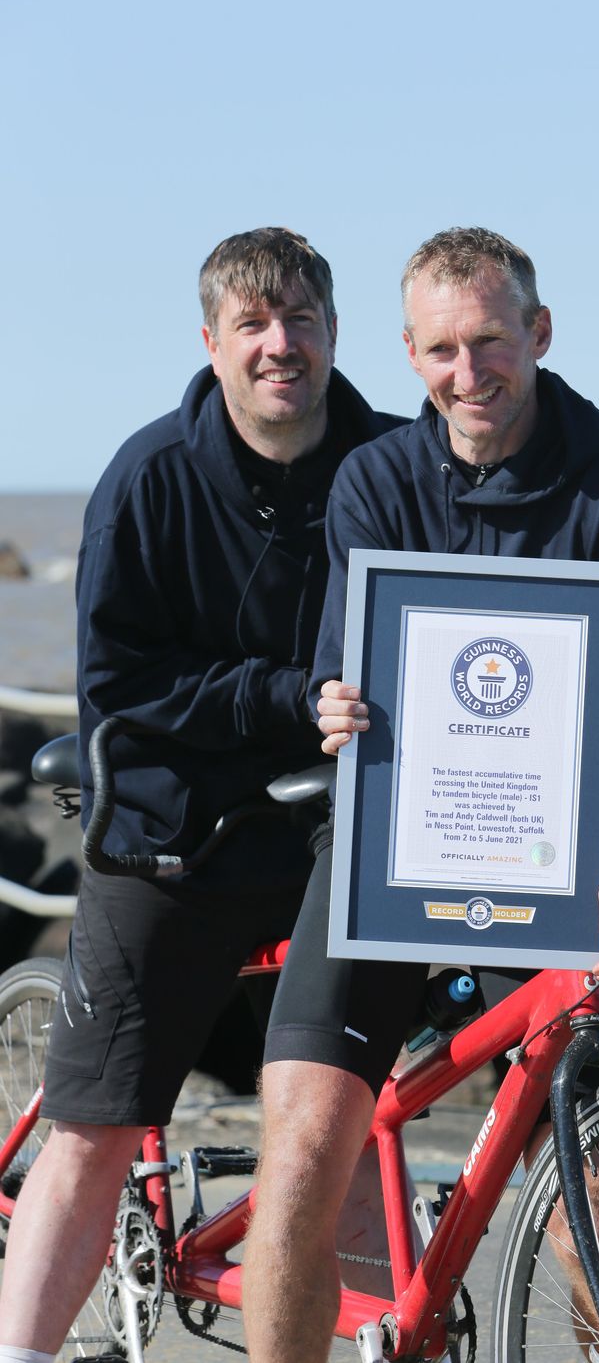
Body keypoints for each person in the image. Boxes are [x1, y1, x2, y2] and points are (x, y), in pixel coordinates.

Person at [242, 227, 599, 1363]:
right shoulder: (375, 481)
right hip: (388, 852)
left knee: (594, 1174)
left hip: (549, 863)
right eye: (442, 349)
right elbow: (340, 659)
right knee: (300, 1140)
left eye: (490, 342)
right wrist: (333, 702)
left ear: (537, 335)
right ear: (408, 355)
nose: (468, 373)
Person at [0, 227, 398, 1363]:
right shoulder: (151, 477)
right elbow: (116, 685)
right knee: (95, 1128)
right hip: (172, 833)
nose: (282, 346)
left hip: (331, 834)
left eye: (303, 322)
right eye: (255, 325)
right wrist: (285, 698)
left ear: (333, 334)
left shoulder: (390, 461)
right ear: (212, 343)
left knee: (347, 1118)